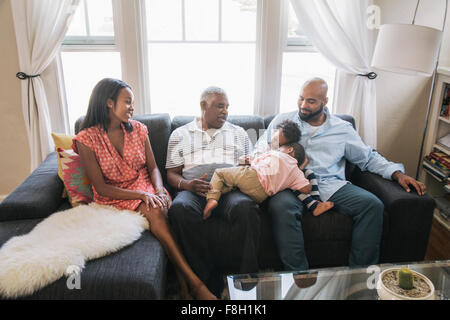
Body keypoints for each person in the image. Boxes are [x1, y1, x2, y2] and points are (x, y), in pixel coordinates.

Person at [255, 77, 426, 271]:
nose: (303, 105)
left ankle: (358, 276)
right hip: (291, 184)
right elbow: (261, 147)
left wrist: (396, 173)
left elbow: (367, 157)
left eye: (310, 101)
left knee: (372, 206)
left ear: (325, 102)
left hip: (331, 185)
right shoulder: (283, 121)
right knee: (281, 207)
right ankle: (298, 275)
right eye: (301, 99)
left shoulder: (342, 129)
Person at [73, 78, 217, 300]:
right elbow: (100, 186)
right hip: (115, 194)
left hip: (147, 186)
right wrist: (142, 195)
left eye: (132, 102)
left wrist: (159, 190)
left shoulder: (139, 130)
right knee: (157, 213)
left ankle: (185, 284)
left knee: (169, 209)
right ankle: (193, 284)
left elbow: (153, 168)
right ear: (109, 103)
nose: (132, 108)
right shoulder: (86, 139)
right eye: (128, 102)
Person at [166, 86, 261, 298]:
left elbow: (252, 166)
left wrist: (248, 164)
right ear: (203, 106)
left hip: (228, 190)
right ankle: (205, 281)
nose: (225, 111)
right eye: (220, 106)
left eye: (227, 107)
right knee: (179, 210)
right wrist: (186, 185)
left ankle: (246, 283)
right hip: (194, 190)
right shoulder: (180, 134)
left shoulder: (239, 133)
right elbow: (171, 173)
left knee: (246, 208)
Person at [203, 120, 334, 219]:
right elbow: (305, 188)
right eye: (275, 139)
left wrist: (246, 160)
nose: (274, 145)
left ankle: (212, 199)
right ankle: (211, 191)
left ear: (289, 148)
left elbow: (250, 162)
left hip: (253, 177)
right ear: (273, 131)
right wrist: (300, 167)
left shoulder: (274, 153)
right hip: (262, 195)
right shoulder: (283, 160)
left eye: (279, 145)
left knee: (219, 173)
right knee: (229, 186)